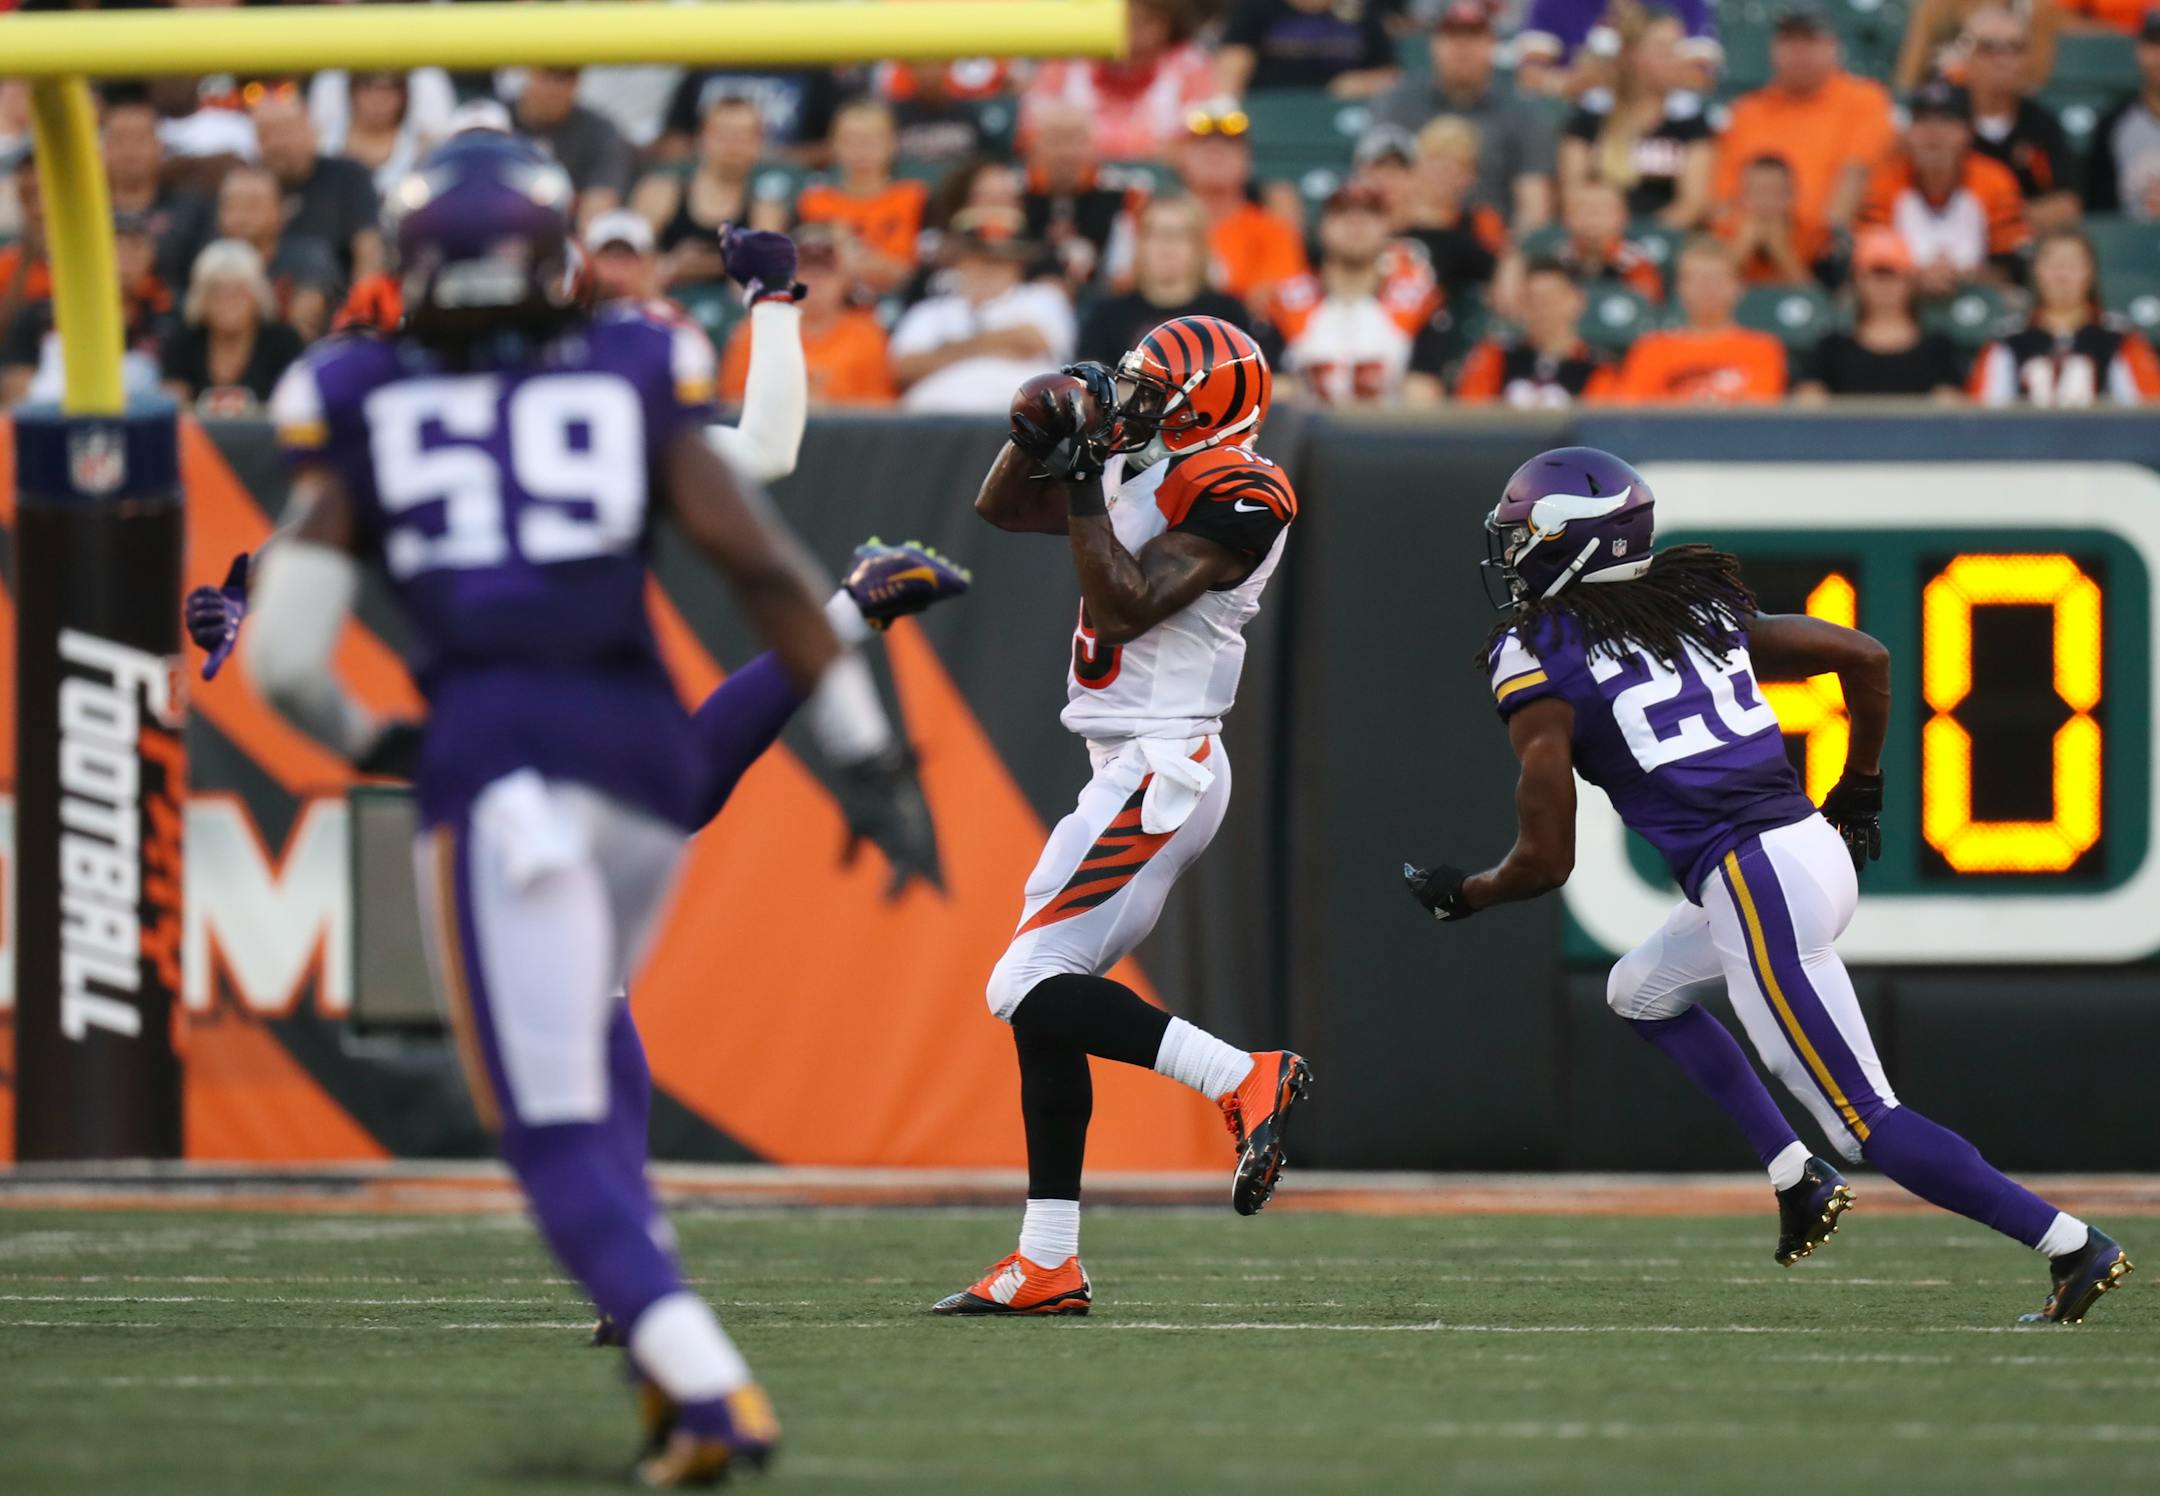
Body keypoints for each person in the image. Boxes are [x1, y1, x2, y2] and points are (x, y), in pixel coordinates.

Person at [238, 133, 938, 1485]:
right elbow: (759, 552)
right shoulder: (629, 363)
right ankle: (667, 1381)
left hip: (504, 767)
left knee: (548, 1122)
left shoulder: (358, 393)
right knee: (592, 1033)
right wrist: (867, 758)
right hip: (635, 762)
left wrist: (393, 734)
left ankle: (709, 1385)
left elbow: (281, 662)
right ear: (555, 254)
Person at [1403, 445, 2134, 1326]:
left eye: (1522, 534)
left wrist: (1466, 893)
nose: (1510, 551)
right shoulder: (1687, 601)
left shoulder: (1535, 653)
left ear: (1569, 543)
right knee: (1639, 991)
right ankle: (1794, 1177)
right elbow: (1865, 655)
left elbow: (1546, 861)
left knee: (1864, 1120)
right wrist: (1861, 787)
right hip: (1800, 853)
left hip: (1753, 879)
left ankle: (2070, 1244)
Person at [951, 317, 1311, 1315]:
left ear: (1206, 411)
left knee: (1019, 977)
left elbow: (1122, 606)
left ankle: (1243, 1073)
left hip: (1165, 761)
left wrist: (1080, 475)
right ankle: (1047, 1256)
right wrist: (1045, 433)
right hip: (1127, 762)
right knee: (1047, 995)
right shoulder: (1146, 455)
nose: (1132, 397)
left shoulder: (1245, 489)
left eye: (1155, 388)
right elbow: (997, 507)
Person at [1369, 0, 1558, 232]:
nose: (1463, 47)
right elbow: (1376, 186)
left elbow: (1533, 204)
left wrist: (1511, 263)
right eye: (1453, 36)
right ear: (1433, 44)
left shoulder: (1521, 110)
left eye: (1474, 36)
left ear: (1492, 44)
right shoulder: (1398, 101)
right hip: (1410, 237)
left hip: (1492, 244)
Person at [1714, 7, 1896, 239]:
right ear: (1773, 49)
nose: (1799, 50)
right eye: (1789, 40)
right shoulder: (1746, 112)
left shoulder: (1865, 100)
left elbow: (1854, 181)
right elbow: (1723, 201)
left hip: (1831, 251)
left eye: (1810, 39)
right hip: (1750, 249)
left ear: (1835, 47)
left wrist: (1817, 247)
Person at [1263, 181, 1446, 405]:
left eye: (1370, 213)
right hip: (1308, 438)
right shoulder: (1286, 301)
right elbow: (1273, 392)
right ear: (1321, 227)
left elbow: (1425, 394)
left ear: (1387, 227)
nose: (1356, 223)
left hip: (1389, 435)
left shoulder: (1419, 301)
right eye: (1342, 213)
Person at [888, 206, 1076, 411]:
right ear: (960, 261)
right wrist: (993, 345)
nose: (990, 268)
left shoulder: (1041, 297)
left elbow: (1033, 340)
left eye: (1001, 260)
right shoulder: (929, 311)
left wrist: (944, 351)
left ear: (1019, 265)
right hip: (935, 421)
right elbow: (904, 368)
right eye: (980, 258)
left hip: (1017, 423)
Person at [1859, 81, 2029, 297]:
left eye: (1946, 122)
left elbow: (2011, 265)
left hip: (1979, 300)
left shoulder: (1994, 180)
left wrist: (1962, 276)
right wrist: (1918, 277)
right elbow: (1869, 263)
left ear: (1967, 133)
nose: (1934, 133)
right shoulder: (1884, 182)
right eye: (1923, 121)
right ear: (1908, 133)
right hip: (1900, 304)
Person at [1560, 9, 1716, 230]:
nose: (1675, 60)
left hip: (1665, 239)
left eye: (1677, 50)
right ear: (1632, 56)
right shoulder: (1591, 113)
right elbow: (1573, 191)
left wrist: (1645, 237)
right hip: (1598, 234)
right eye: (1663, 50)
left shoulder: (1689, 119)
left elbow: (1692, 204)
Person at [1970, 226, 2160, 403]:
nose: (2062, 274)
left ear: (2090, 272)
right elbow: (1983, 418)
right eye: (2052, 264)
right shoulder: (2008, 339)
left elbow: (2147, 413)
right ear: (2036, 271)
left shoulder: (2119, 337)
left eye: (2072, 264)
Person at [720, 225, 896, 406]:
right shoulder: (756, 332)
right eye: (805, 270)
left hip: (847, 433)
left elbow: (881, 410)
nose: (815, 281)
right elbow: (732, 405)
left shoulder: (867, 335)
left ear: (845, 279)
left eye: (826, 270)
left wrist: (826, 408)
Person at [1019, 0, 1216, 162]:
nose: (1132, 32)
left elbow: (1201, 145)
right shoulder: (1066, 62)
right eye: (1122, 20)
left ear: (1165, 24)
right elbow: (1030, 132)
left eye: (1141, 21)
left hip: (1163, 185)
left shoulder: (1189, 66)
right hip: (1077, 177)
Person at [630, 93, 788, 292]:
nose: (733, 146)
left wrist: (705, 265)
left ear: (759, 142)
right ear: (702, 136)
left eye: (744, 136)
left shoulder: (766, 203)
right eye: (725, 134)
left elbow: (764, 272)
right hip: (664, 307)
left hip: (736, 312)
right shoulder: (660, 191)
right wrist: (671, 266)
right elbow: (629, 267)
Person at [1604, 236, 1789, 403]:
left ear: (1738, 287)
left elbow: (1759, 413)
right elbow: (1632, 413)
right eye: (1696, 279)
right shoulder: (1650, 349)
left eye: (1716, 279)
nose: (1706, 288)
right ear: (1680, 288)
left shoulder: (1763, 348)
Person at [1078, 195, 1249, 366]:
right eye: (1156, 233)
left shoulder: (1227, 316)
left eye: (1179, 234)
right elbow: (1089, 383)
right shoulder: (1107, 316)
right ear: (1140, 243)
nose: (1166, 244)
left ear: (1200, 247)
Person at [1165, 104, 1308, 308]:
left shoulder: (1272, 230)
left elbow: (1274, 302)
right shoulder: (1158, 229)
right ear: (1180, 157)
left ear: (1247, 160)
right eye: (1202, 143)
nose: (1216, 150)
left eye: (1230, 143)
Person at [1797, 229, 1968, 398]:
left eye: (1892, 274)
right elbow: (1809, 404)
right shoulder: (1832, 348)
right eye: (1875, 273)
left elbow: (1949, 407)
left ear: (1910, 280)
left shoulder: (1938, 348)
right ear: (1858, 280)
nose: (1884, 285)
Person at [1958, 6, 2078, 231]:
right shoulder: (1946, 117)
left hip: (2025, 251)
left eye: (2015, 48)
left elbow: (2066, 205)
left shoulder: (2043, 124)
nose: (2003, 60)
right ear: (1968, 57)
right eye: (1989, 48)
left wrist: (2000, 219)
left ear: (2029, 59)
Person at [795, 97, 929, 297]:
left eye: (872, 140)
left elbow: (917, 269)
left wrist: (853, 257)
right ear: (834, 144)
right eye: (851, 140)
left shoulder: (916, 197)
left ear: (893, 143)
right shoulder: (813, 202)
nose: (861, 150)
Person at [158, 239, 304, 413]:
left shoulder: (284, 342)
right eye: (217, 291)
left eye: (238, 291)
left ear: (257, 297)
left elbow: (297, 406)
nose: (228, 302)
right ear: (201, 300)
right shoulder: (183, 343)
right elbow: (173, 406)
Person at [252, 91, 383, 283]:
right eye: (267, 135)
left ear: (309, 130)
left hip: (336, 295)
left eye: (286, 131)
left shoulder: (349, 176)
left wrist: (360, 306)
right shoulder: (247, 185)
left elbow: (368, 249)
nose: (278, 143)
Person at [1493, 179, 1664, 318]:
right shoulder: (1557, 257)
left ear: (1623, 217)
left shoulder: (1636, 262)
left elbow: (1645, 308)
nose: (1592, 218)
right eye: (1582, 210)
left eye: (1602, 210)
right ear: (1566, 218)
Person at [1453, 258, 1614, 405]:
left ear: (1576, 301)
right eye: (1531, 300)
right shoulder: (1496, 356)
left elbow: (1598, 424)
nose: (1541, 310)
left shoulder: (1596, 367)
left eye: (1550, 300)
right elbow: (1470, 417)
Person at [214, 166, 343, 343]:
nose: (240, 217)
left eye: (252, 206)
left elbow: (301, 334)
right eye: (231, 206)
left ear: (280, 211)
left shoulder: (309, 258)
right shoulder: (210, 263)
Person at [100, 91, 213, 292]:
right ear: (103, 148)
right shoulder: (82, 212)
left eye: (140, 139)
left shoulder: (191, 210)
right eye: (119, 139)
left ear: (160, 147)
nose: (130, 150)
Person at [1399, 116, 1508, 311]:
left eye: (1457, 166)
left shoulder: (1482, 223)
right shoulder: (1394, 220)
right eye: (1436, 161)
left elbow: (1499, 282)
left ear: (1471, 177)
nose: (1444, 173)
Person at [1021, 102, 1132, 293]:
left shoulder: (1123, 194)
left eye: (1076, 139)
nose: (1066, 152)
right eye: (1055, 139)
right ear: (1034, 144)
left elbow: (1125, 270)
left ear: (1092, 145)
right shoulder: (1013, 193)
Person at [512, 66, 638, 219]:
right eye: (546, 75)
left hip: (567, 237)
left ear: (578, 82)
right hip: (497, 231)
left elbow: (600, 204)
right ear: (528, 74)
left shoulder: (598, 131)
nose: (554, 89)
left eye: (565, 78)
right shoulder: (497, 118)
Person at [1214, 0, 1401, 99]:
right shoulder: (1257, 7)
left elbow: (1392, 77)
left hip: (1339, 117)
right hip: (1270, 114)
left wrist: (1362, 83)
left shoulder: (1361, 11)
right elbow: (1230, 73)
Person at [309, 68, 454, 195]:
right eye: (368, 87)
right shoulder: (321, 142)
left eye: (389, 88)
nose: (379, 99)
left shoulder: (422, 149)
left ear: (404, 95)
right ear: (353, 91)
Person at [1712, 154, 1844, 288]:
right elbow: (1707, 294)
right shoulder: (1720, 232)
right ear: (1741, 197)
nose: (1766, 202)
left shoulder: (1816, 237)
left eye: (1776, 192)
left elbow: (1822, 303)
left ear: (1792, 196)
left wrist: (1781, 252)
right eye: (1758, 192)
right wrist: (1741, 246)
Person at [2085, 12, 2160, 219]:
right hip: (2129, 246)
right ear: (2138, 50)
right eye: (2154, 44)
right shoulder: (2112, 124)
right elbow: (2099, 210)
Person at [1897, 0, 2061, 92]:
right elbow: (1909, 76)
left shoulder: (2036, 9)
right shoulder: (1935, 6)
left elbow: (2037, 79)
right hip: (1950, 112)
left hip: (2011, 111)